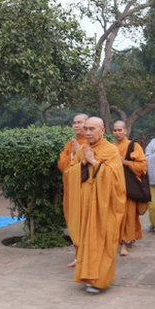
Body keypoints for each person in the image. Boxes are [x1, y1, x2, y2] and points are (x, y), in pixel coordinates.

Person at [65, 117, 126, 294]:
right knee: (87, 241)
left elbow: (116, 180)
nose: (88, 132)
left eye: (92, 129)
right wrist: (84, 162)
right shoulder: (83, 150)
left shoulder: (111, 150)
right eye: (86, 129)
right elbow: (70, 172)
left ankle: (100, 280)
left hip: (104, 206)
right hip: (86, 205)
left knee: (101, 242)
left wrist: (94, 163)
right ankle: (87, 276)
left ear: (102, 130)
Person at [112, 120, 148, 257]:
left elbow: (142, 166)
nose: (117, 133)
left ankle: (125, 243)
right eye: (115, 130)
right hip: (115, 186)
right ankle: (125, 238)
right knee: (118, 215)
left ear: (126, 131)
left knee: (129, 215)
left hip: (129, 187)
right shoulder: (111, 147)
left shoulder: (133, 146)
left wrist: (126, 162)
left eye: (120, 130)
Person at [57, 113, 88, 268]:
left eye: (80, 122)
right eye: (74, 122)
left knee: (85, 223)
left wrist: (80, 153)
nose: (76, 125)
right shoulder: (70, 144)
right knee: (73, 222)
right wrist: (74, 154)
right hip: (71, 190)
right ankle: (78, 256)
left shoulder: (91, 142)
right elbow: (62, 164)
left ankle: (86, 257)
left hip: (86, 191)